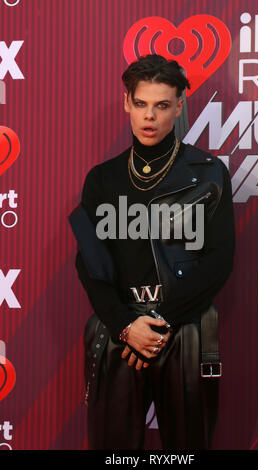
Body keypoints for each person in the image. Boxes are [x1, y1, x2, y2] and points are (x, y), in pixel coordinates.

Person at [70, 54, 235, 450]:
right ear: (127, 101)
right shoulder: (102, 179)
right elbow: (90, 265)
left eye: (162, 106)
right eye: (141, 104)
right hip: (118, 330)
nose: (151, 117)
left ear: (179, 107)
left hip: (184, 330)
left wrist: (157, 324)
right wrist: (127, 327)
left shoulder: (209, 172)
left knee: (186, 451)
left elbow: (219, 260)